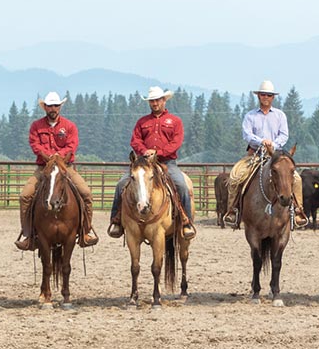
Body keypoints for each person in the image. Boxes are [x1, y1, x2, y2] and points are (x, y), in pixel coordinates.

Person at [107, 86, 197, 240]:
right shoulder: (142, 122)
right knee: (121, 184)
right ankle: (116, 220)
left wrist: (158, 153)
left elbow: (176, 142)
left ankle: (185, 221)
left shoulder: (175, 121)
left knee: (181, 185)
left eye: (157, 100)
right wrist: (144, 152)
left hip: (167, 162)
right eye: (152, 101)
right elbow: (135, 140)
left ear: (164, 100)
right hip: (144, 163)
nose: (154, 103)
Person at [14, 92, 99, 250]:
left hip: (66, 167)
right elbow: (35, 144)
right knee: (25, 196)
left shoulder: (69, 126)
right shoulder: (36, 126)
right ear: (45, 107)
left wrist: (58, 157)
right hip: (43, 168)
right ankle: (28, 234)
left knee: (86, 193)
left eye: (55, 105)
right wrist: (48, 156)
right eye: (50, 105)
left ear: (60, 107)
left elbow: (72, 145)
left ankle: (85, 232)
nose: (53, 108)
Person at [222, 80, 309, 228]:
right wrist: (261, 141)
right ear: (258, 96)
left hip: (275, 155)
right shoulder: (250, 116)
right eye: (263, 94)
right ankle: (233, 210)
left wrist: (273, 144)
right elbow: (247, 134)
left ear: (273, 97)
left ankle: (298, 210)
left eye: (269, 95)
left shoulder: (280, 115)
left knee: (296, 179)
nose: (266, 97)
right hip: (255, 155)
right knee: (236, 176)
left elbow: (284, 135)